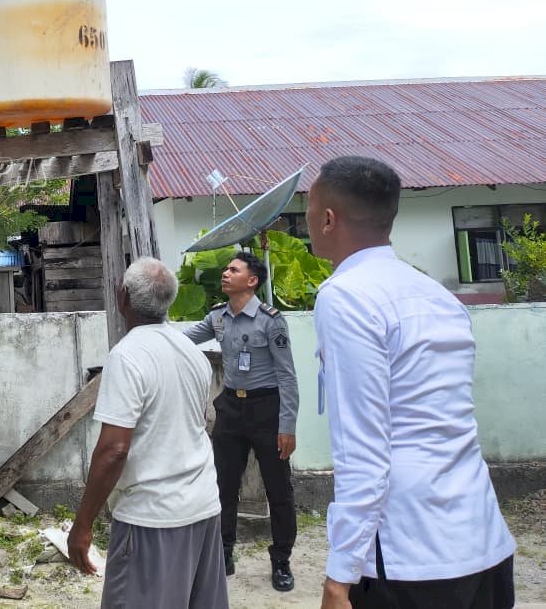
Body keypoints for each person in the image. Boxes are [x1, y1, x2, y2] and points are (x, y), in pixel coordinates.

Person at [308, 156, 516, 609]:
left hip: (408, 558)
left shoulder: (345, 297)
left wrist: (339, 575)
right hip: (483, 542)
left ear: (327, 219)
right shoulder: (436, 294)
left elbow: (363, 448)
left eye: (309, 206)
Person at [68, 258, 229, 609]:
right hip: (202, 507)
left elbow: (113, 450)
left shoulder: (127, 357)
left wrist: (82, 525)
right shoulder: (192, 352)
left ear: (123, 296)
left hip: (152, 518)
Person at [184, 251, 299, 591]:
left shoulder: (271, 320)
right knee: (223, 485)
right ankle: (223, 554)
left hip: (267, 410)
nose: (225, 273)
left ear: (251, 280)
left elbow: (287, 376)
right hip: (231, 408)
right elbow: (185, 338)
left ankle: (281, 560)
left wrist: (287, 425)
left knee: (278, 489)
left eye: (233, 269)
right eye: (225, 269)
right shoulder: (218, 317)